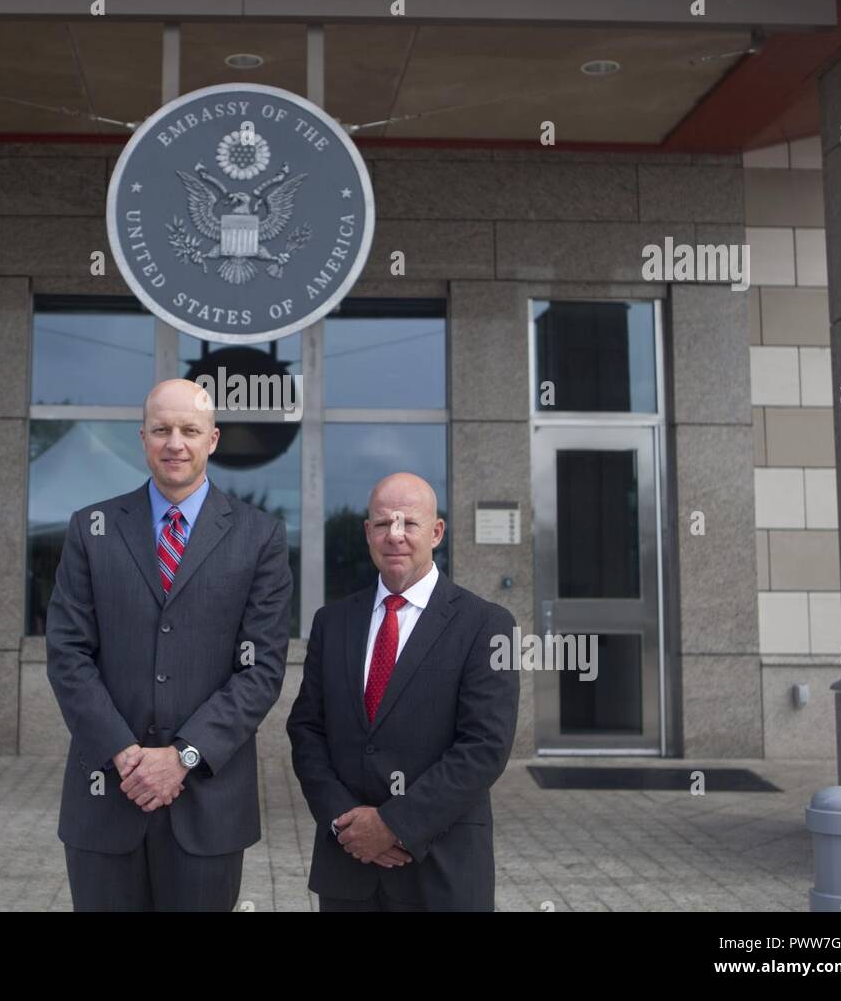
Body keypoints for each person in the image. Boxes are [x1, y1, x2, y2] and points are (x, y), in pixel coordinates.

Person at [46, 378, 293, 911]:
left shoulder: (260, 537)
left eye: (189, 430)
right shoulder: (93, 529)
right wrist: (125, 756)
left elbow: (262, 669)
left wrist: (181, 757)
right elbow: (68, 654)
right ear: (142, 438)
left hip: (207, 804)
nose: (175, 442)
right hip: (106, 798)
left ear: (213, 439)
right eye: (161, 429)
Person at [287, 472, 519, 911]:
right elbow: (306, 730)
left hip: (441, 869)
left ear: (436, 532)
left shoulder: (485, 625)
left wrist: (394, 825)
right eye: (382, 524)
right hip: (348, 869)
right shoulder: (331, 623)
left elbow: (485, 746)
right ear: (367, 533)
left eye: (408, 523)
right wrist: (344, 823)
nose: (395, 536)